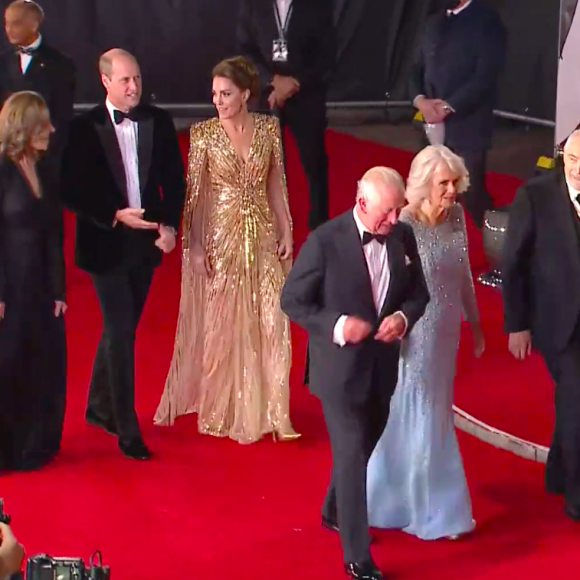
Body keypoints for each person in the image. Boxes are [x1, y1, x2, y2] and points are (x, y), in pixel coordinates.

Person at [281, 167, 430, 580]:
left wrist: (402, 318)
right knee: (350, 456)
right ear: (361, 203)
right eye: (387, 211)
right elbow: (292, 300)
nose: (395, 219)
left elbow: (420, 293)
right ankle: (357, 557)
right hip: (339, 372)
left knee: (363, 446)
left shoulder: (402, 236)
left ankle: (332, 509)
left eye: (399, 210)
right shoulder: (324, 242)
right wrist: (337, 325)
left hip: (382, 368)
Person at [155, 56, 299, 445]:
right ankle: (223, 407)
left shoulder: (269, 128)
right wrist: (196, 246)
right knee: (223, 324)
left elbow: (275, 183)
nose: (218, 100)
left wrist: (287, 229)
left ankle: (272, 410)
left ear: (246, 94)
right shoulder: (203, 134)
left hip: (265, 236)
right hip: (222, 239)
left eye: (226, 93)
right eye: (215, 93)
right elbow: (195, 199)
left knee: (271, 320)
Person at [61, 49, 185, 460]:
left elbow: (173, 179)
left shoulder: (158, 121)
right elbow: (71, 190)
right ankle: (126, 426)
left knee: (123, 326)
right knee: (120, 330)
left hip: (145, 244)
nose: (133, 87)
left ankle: (98, 408)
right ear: (105, 82)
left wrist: (168, 226)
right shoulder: (83, 128)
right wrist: (113, 214)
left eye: (137, 79)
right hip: (104, 242)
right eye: (125, 81)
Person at [367, 145, 484, 540]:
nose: (452, 190)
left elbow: (465, 273)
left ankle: (408, 497)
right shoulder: (403, 224)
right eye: (443, 183)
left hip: (447, 331)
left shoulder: (457, 218)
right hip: (414, 331)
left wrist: (478, 326)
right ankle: (431, 508)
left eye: (454, 182)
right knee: (421, 411)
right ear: (423, 184)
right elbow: (386, 283)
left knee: (429, 410)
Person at [502, 129, 580, 522]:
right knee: (578, 401)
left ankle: (555, 472)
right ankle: (576, 494)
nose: (579, 169)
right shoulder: (535, 195)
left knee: (572, 402)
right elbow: (513, 265)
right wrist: (517, 323)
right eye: (573, 159)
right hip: (558, 321)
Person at [0, 90, 66, 471]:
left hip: (40, 286)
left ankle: (34, 444)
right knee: (8, 364)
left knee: (41, 363)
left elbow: (53, 232)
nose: (52, 130)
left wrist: (58, 289)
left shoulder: (43, 166)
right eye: (44, 124)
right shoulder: (2, 169)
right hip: (10, 286)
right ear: (25, 128)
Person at [237, 0, 334, 230]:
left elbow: (328, 55)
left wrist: (296, 82)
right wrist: (272, 81)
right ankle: (264, 221)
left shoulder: (317, 5)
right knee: (261, 162)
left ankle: (319, 225)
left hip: (307, 95)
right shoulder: (253, 5)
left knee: (314, 164)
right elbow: (244, 49)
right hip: (264, 94)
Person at [410, 0, 506, 228]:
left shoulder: (487, 21)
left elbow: (486, 75)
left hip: (469, 127)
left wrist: (448, 106)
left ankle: (490, 244)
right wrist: (420, 101)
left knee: (471, 194)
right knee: (429, 190)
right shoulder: (433, 23)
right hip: (431, 126)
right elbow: (415, 67)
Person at [0, 1, 75, 168]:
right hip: (7, 159)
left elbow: (62, 117)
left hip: (45, 160)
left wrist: (45, 152)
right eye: (6, 22)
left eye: (16, 23)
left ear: (34, 25)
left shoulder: (60, 64)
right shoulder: (2, 62)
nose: (8, 29)